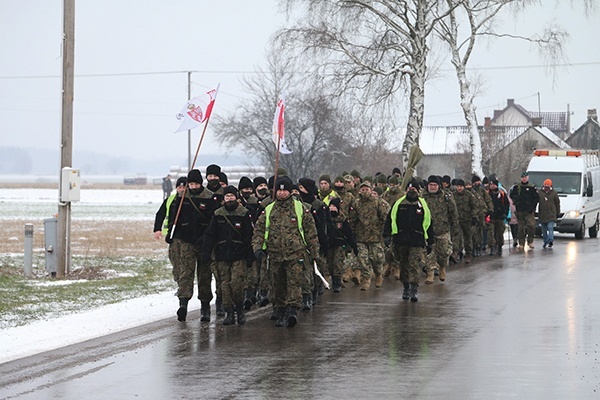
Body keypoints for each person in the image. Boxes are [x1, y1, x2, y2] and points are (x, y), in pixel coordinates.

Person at [252, 176, 320, 328]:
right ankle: (280, 310)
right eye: (279, 191)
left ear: (290, 192)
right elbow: (259, 231)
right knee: (277, 284)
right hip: (275, 254)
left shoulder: (300, 208)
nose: (282, 193)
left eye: (285, 191)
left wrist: (315, 252)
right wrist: (257, 248)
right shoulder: (269, 210)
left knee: (294, 283)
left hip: (296, 254)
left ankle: (292, 312)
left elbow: (311, 232)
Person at [165, 169, 220, 322]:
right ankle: (183, 304)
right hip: (185, 241)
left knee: (204, 275)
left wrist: (207, 238)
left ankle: (205, 306)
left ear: (200, 183)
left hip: (204, 243)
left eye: (196, 184)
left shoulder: (209, 197)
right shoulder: (182, 197)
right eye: (191, 184)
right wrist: (172, 233)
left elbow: (213, 221)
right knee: (185, 274)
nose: (194, 187)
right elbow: (174, 218)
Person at [202, 186, 254, 326]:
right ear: (223, 199)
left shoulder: (244, 213)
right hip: (222, 256)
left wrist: (250, 255)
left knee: (236, 284)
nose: (229, 198)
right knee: (224, 286)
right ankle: (229, 312)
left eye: (232, 196)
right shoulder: (218, 214)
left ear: (236, 197)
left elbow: (249, 236)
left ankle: (240, 309)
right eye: (227, 196)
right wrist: (206, 253)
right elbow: (210, 235)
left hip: (239, 255)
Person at [383, 178, 432, 302]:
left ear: (418, 190)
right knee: (403, 264)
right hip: (400, 240)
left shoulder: (423, 205)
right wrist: (387, 235)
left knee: (414, 264)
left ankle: (414, 288)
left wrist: (430, 240)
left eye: (414, 188)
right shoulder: (399, 203)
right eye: (409, 188)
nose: (412, 190)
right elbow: (390, 219)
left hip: (417, 240)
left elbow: (429, 223)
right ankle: (405, 287)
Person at [348, 181, 390, 290]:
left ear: (371, 190)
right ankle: (365, 280)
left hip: (375, 236)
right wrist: (352, 234)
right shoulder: (356, 204)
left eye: (367, 189)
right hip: (360, 237)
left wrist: (385, 232)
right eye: (363, 189)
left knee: (376, 259)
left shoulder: (378, 202)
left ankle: (378, 274)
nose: (365, 191)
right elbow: (353, 220)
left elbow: (384, 218)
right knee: (363, 259)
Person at [422, 175, 459, 284]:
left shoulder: (446, 197)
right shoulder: (423, 197)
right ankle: (430, 274)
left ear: (439, 186)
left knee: (443, 252)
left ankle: (442, 267)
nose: (432, 187)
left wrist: (455, 226)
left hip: (443, 229)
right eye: (430, 185)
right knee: (429, 253)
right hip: (428, 231)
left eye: (434, 185)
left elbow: (453, 212)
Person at [325, 197, 357, 292]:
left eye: (334, 206)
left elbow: (349, 233)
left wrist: (353, 246)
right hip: (329, 244)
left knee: (337, 263)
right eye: (330, 206)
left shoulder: (342, 219)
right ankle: (333, 279)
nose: (332, 208)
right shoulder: (326, 218)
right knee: (329, 264)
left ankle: (337, 282)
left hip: (340, 244)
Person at [509, 172, 538, 250]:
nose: (524, 179)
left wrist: (532, 207)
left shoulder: (532, 187)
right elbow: (512, 195)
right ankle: (521, 243)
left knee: (531, 225)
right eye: (522, 177)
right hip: (520, 210)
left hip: (529, 210)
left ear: (527, 178)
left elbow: (536, 198)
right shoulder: (517, 187)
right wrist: (517, 201)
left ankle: (530, 241)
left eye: (525, 177)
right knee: (520, 227)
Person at [452, 179, 477, 264]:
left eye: (461, 186)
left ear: (463, 187)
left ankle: (468, 253)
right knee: (456, 236)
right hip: (457, 220)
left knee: (468, 237)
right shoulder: (453, 195)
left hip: (467, 220)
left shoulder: (469, 195)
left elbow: (474, 206)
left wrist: (474, 216)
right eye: (457, 186)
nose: (459, 188)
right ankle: (456, 252)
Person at [154, 176, 187, 241]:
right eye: (179, 187)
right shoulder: (170, 199)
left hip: (187, 233)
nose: (182, 189)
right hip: (171, 232)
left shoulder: (192, 200)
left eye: (184, 187)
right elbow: (160, 214)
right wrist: (157, 229)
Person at [487, 178, 510, 255]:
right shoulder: (487, 194)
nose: (492, 186)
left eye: (493, 184)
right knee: (491, 233)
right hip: (491, 217)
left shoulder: (502, 194)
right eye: (491, 185)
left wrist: (505, 214)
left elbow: (507, 205)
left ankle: (499, 246)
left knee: (499, 233)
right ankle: (492, 247)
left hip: (500, 217)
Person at [538, 178, 560, 248]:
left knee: (550, 227)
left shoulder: (554, 193)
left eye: (547, 187)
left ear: (550, 186)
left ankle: (550, 240)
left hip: (551, 214)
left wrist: (557, 213)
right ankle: (545, 241)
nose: (546, 188)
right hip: (542, 214)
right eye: (545, 187)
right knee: (543, 229)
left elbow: (557, 203)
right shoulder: (539, 193)